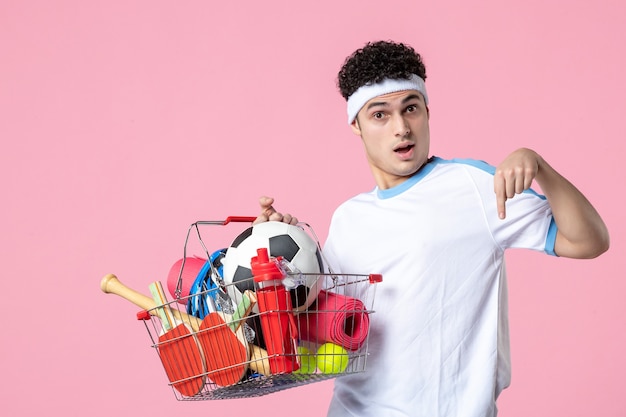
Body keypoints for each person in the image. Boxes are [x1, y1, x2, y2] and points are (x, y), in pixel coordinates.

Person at [254, 41, 609, 417]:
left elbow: (589, 240)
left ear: (427, 111)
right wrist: (280, 256)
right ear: (356, 125)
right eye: (380, 115)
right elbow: (321, 328)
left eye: (411, 108)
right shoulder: (348, 217)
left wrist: (539, 167)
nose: (402, 128)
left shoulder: (471, 186)